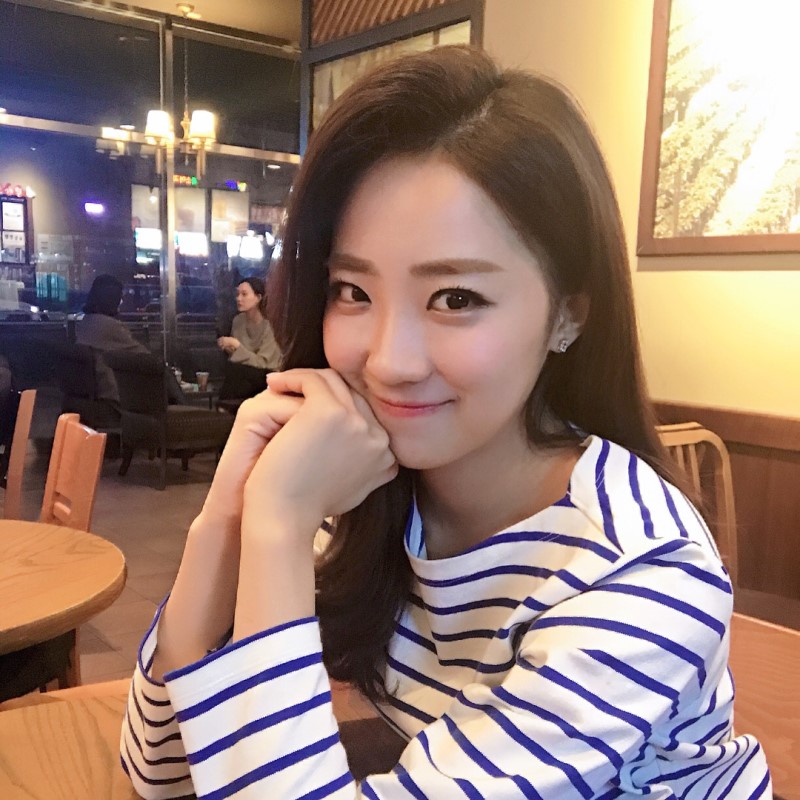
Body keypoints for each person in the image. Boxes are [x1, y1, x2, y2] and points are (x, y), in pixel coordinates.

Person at [121, 47, 771, 799]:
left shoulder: (642, 578)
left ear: (568, 314)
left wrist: (278, 524)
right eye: (352, 290)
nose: (389, 361)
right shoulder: (367, 491)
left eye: (456, 299)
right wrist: (231, 510)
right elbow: (160, 774)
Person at [76, 274, 150, 405]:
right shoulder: (110, 326)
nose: (121, 302)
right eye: (120, 297)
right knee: (164, 376)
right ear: (112, 299)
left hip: (92, 390)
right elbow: (144, 355)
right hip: (113, 392)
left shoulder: (85, 322)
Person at [217, 276, 281, 371]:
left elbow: (264, 364)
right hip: (243, 372)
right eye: (237, 294)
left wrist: (237, 345)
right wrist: (229, 348)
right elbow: (240, 357)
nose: (238, 298)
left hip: (267, 375)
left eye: (244, 294)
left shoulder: (271, 325)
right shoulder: (238, 320)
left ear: (258, 298)